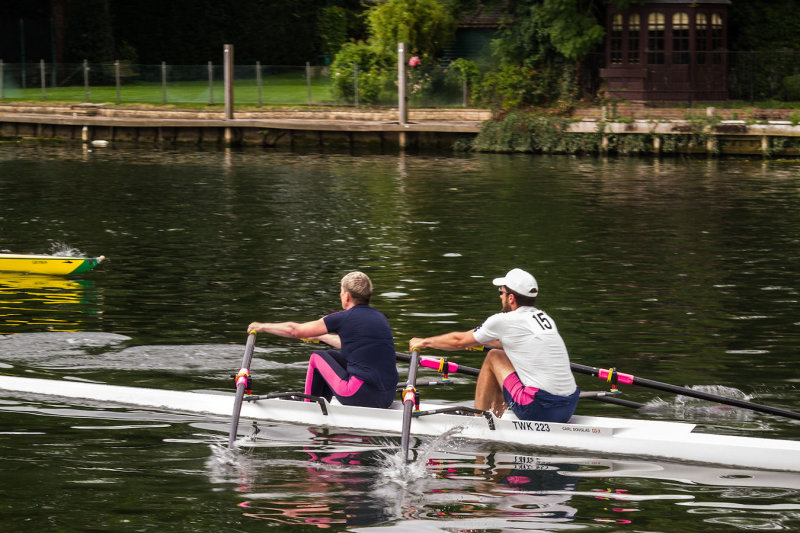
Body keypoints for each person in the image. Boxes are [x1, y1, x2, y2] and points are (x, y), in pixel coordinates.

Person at [409, 268, 579, 422]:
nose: (500, 296)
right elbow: (513, 342)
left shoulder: (503, 320)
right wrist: (479, 339)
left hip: (539, 409)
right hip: (568, 406)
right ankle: (496, 416)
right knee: (504, 355)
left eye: (501, 292)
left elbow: (458, 341)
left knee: (494, 356)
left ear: (511, 298)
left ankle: (479, 422)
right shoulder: (544, 318)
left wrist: (425, 342)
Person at [248, 271, 398, 408]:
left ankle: (309, 405)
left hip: (358, 395)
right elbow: (353, 344)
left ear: (346, 296)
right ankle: (319, 400)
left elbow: (295, 331)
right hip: (387, 397)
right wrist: (321, 336)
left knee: (317, 357)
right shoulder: (380, 318)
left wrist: (262, 326)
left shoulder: (344, 318)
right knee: (331, 356)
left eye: (341, 291)